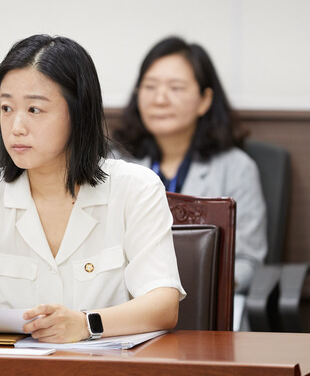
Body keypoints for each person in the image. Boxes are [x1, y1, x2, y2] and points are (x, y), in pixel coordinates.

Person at [0, 34, 185, 343]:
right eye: (6, 108)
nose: (16, 127)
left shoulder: (135, 188)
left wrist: (86, 324)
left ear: (78, 113)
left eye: (34, 110)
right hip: (9, 369)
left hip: (104, 367)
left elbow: (163, 304)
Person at [112, 36, 267, 310]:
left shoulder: (236, 168)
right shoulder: (115, 164)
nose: (160, 99)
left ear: (205, 100)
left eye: (175, 88)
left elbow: (249, 262)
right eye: (150, 86)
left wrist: (188, 288)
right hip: (128, 308)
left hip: (203, 306)